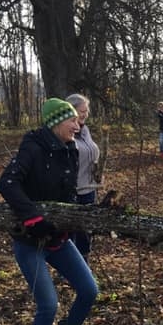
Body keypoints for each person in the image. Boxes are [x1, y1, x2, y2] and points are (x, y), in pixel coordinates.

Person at [0, 98, 100, 325]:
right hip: (29, 241)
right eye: (73, 121)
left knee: (89, 290)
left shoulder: (70, 149)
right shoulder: (33, 148)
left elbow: (68, 193)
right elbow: (6, 183)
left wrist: (69, 223)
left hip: (57, 239)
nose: (78, 126)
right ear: (56, 122)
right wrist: (34, 219)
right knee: (48, 304)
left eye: (79, 121)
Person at [66, 93, 100, 260]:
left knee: (87, 230)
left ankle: (84, 268)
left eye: (86, 111)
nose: (85, 114)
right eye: (81, 111)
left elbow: (91, 153)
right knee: (73, 231)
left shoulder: (85, 131)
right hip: (74, 191)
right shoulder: (65, 134)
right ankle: (71, 269)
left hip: (90, 188)